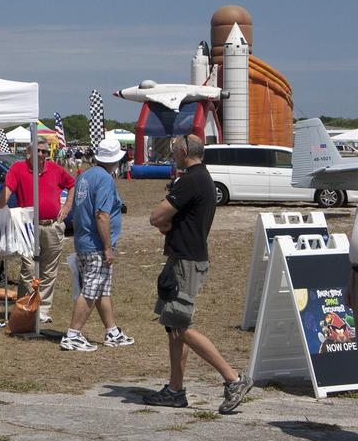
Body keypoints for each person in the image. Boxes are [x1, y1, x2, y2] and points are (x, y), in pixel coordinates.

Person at [145, 135, 252, 412]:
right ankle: (175, 390)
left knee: (181, 327)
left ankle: (233, 379)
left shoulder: (192, 179)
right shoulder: (201, 177)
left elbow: (156, 217)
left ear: (183, 151)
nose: (172, 156)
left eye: (173, 152)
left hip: (186, 263)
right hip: (184, 259)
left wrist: (164, 224)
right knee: (173, 327)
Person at [61, 138, 134, 351]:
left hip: (84, 240)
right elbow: (102, 214)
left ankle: (112, 331)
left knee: (102, 288)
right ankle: (73, 334)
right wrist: (108, 247)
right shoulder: (104, 179)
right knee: (91, 290)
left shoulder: (84, 176)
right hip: (96, 244)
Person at [0, 142, 76, 324]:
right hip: (28, 226)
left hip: (53, 226)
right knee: (29, 269)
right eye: (37, 150)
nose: (41, 154)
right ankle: (25, 307)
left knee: (49, 270)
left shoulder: (56, 169)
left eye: (45, 151)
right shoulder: (18, 169)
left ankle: (43, 309)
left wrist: (67, 206)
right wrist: (1, 207)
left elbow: (72, 184)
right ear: (28, 153)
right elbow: (7, 191)